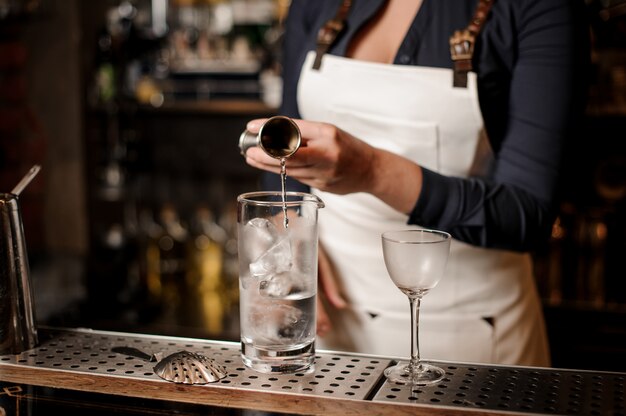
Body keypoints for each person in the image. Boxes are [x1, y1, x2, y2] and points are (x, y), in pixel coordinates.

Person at [243, 0, 589, 367]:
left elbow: (528, 216)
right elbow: (287, 137)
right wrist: (292, 234)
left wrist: (373, 172)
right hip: (329, 328)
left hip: (470, 337)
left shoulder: (541, 7)